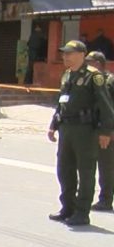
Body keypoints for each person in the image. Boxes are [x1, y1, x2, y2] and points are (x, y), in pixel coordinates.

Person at [48, 41, 114, 226]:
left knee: (85, 171)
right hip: (66, 129)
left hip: (85, 130)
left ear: (81, 55)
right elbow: (61, 101)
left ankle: (82, 212)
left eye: (70, 53)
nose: (65, 56)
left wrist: (105, 131)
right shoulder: (67, 75)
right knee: (64, 169)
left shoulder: (94, 77)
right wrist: (53, 124)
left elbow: (106, 106)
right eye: (64, 53)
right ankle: (67, 207)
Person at [85, 51, 114, 212]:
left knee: (106, 167)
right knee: (89, 166)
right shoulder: (90, 81)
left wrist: (110, 130)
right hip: (90, 129)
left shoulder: (109, 81)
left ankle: (106, 199)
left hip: (106, 130)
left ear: (97, 63)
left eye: (89, 62)